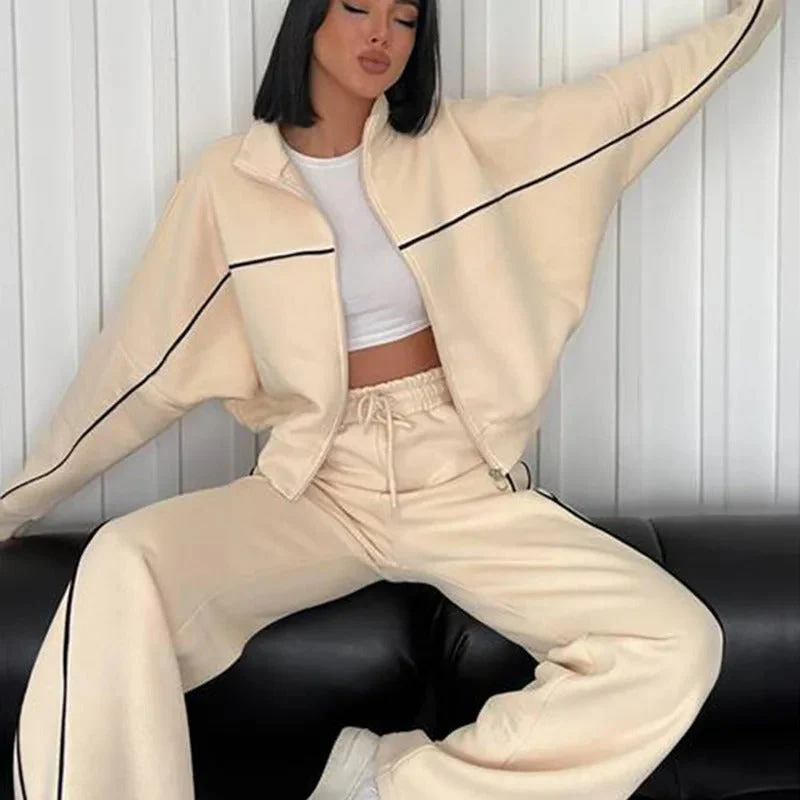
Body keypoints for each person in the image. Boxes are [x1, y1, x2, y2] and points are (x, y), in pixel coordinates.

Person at [0, 0, 784, 798]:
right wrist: (16, 502)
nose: (381, 33)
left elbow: (635, 101)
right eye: (356, 7)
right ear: (310, 18)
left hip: (456, 479)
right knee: (125, 560)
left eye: (405, 18)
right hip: (318, 485)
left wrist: (755, 16)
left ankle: (390, 787)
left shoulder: (464, 149)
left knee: (674, 641)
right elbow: (136, 369)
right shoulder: (228, 183)